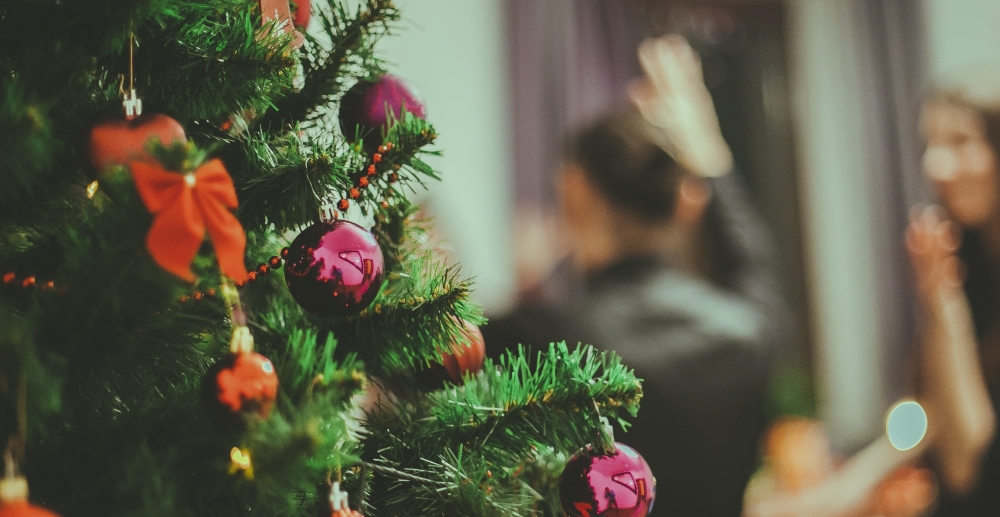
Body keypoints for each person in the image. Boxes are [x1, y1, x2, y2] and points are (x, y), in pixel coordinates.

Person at [484, 36, 791, 517]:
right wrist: (710, 156)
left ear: (575, 192)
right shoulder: (750, 328)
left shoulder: (544, 340)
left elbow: (423, 357)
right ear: (687, 205)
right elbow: (751, 261)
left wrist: (526, 287)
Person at [746, 72, 1000, 517]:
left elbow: (968, 460)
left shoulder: (954, 276)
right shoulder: (969, 260)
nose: (934, 165)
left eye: (961, 142)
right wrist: (844, 487)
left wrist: (943, 301)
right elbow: (935, 411)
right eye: (930, 144)